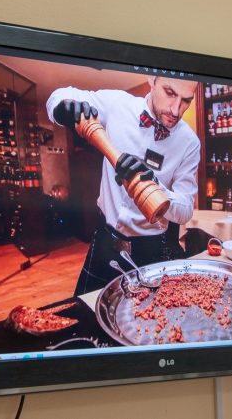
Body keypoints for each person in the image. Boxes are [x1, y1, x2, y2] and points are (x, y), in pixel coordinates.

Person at [46, 76, 201, 295]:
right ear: (152, 79)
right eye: (170, 93)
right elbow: (59, 95)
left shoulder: (189, 143)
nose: (176, 110)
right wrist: (62, 109)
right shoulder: (116, 104)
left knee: (150, 316)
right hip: (104, 244)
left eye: (186, 101)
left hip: (152, 251)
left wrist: (155, 185)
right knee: (86, 310)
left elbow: (185, 210)